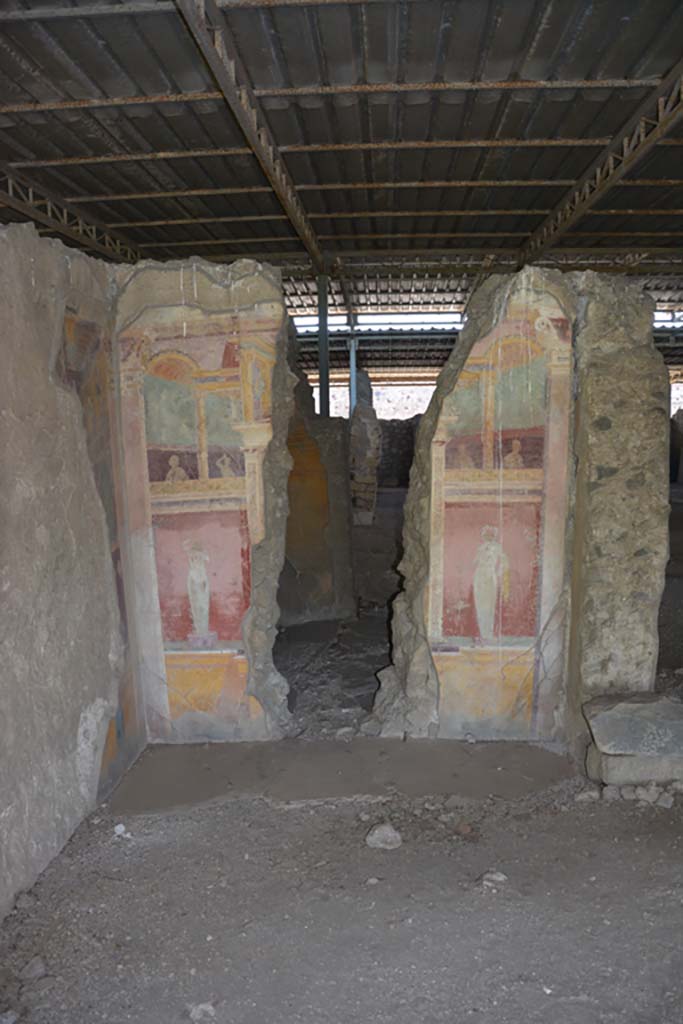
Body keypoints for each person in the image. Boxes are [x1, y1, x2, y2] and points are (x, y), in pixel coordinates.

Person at [472, 525, 510, 643]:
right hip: (479, 577)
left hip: (490, 576)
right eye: (486, 534)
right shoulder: (481, 548)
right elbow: (474, 562)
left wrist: (497, 573)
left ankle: (488, 634)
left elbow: (505, 563)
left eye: (490, 534)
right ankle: (483, 634)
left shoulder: (497, 548)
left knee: (489, 606)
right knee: (480, 605)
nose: (487, 537)